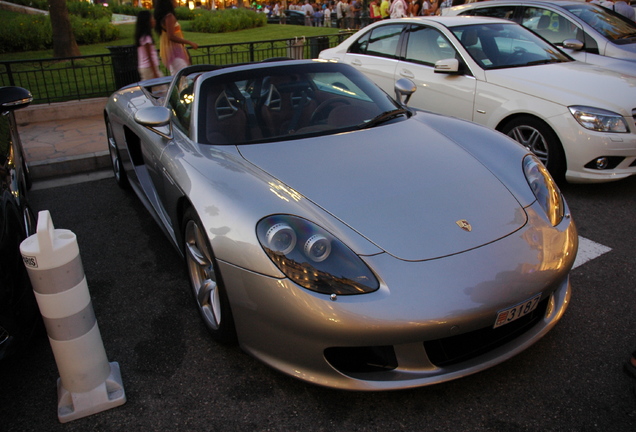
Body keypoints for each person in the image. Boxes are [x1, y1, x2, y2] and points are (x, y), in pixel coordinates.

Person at [154, 0, 199, 75]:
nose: (176, 2)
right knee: (182, 73)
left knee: (177, 72)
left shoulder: (167, 16)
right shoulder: (169, 16)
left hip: (172, 49)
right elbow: (171, 36)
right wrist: (189, 42)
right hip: (174, 50)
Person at [135, 10, 163, 81]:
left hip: (145, 68)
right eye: (152, 18)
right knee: (161, 89)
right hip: (149, 68)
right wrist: (155, 73)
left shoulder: (142, 37)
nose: (154, 21)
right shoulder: (147, 38)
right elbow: (149, 56)